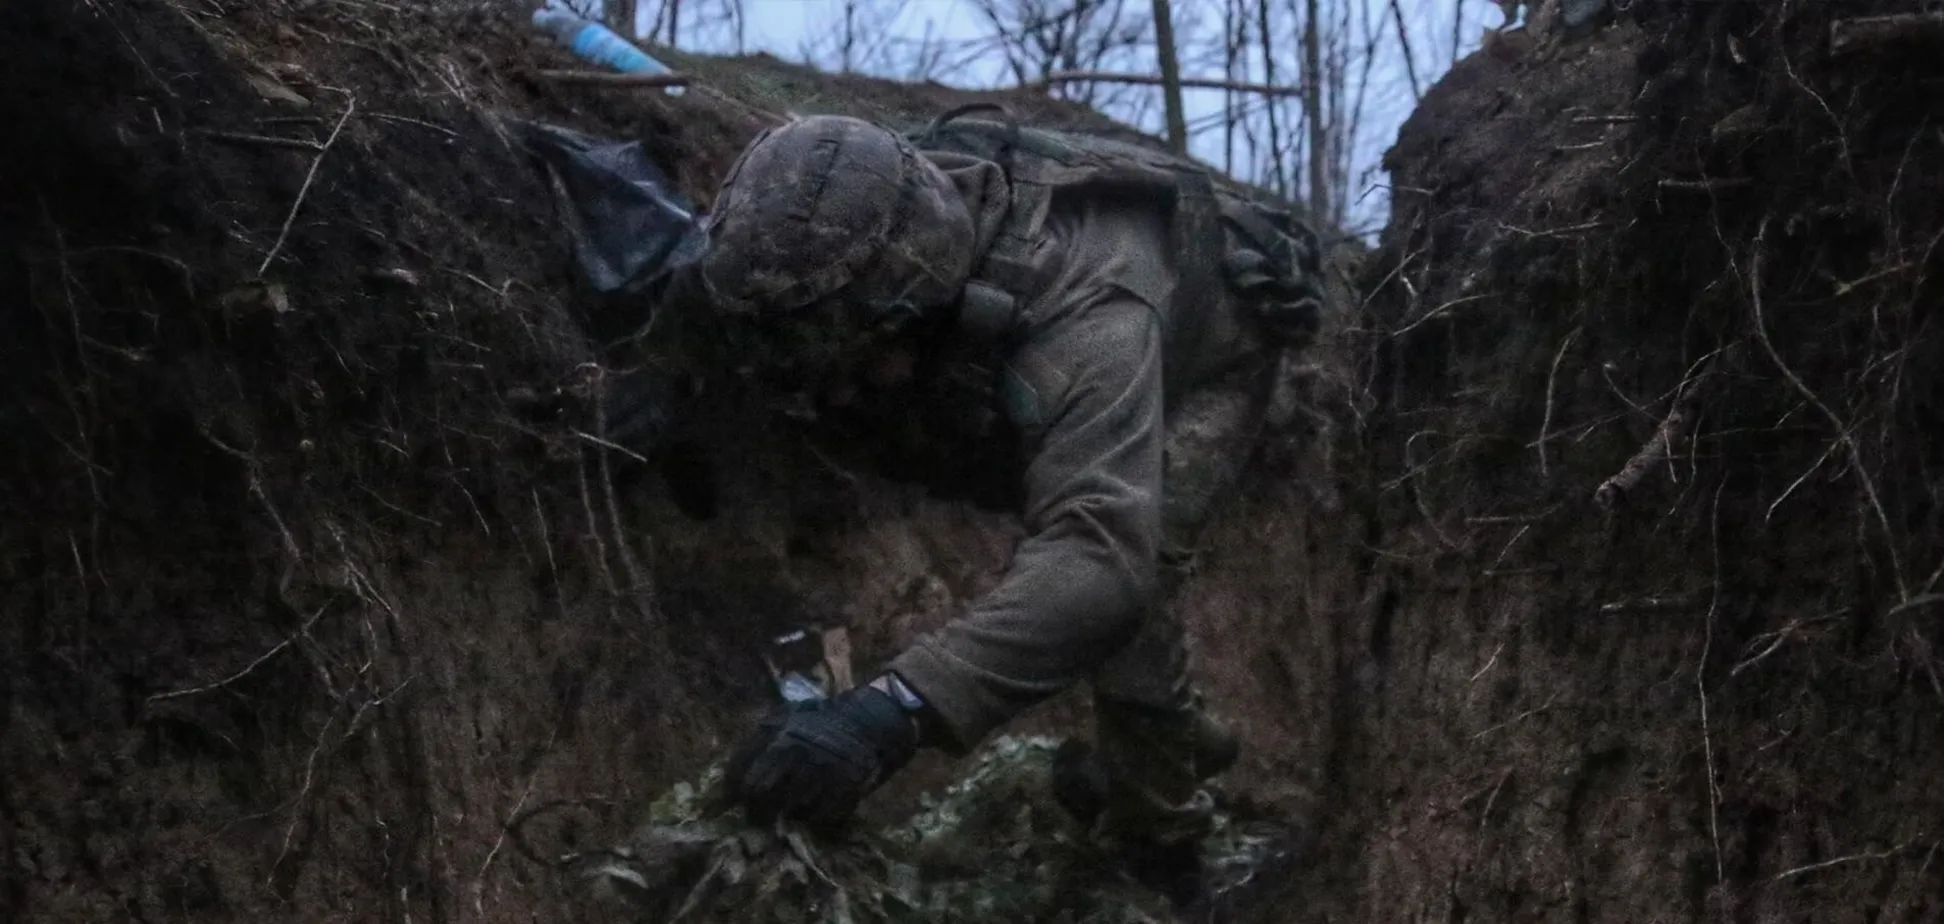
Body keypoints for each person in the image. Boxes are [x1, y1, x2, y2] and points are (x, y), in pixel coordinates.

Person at [622, 109, 1325, 882]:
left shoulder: (1089, 331)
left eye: (862, 356)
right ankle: (1188, 735)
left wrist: (891, 712)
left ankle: (1163, 836)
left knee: (1139, 589)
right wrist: (635, 384)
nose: (839, 386)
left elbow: (1098, 562)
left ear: (923, 316)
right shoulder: (829, 223)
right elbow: (719, 291)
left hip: (1209, 350)